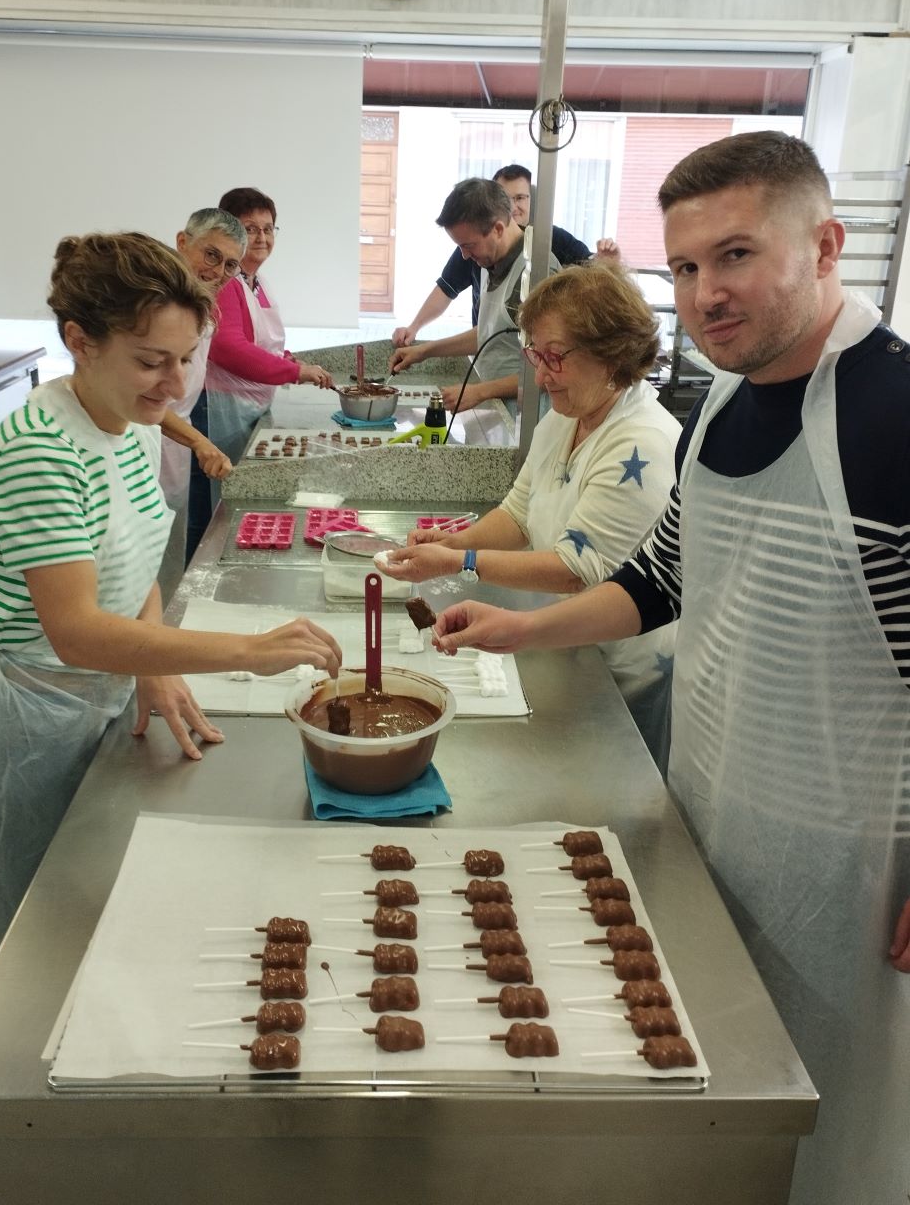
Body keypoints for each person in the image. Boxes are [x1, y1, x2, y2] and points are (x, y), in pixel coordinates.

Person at [429, 131, 910, 1205]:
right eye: (686, 267)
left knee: (834, 1124)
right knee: (720, 1100)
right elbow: (655, 580)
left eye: (736, 256)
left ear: (825, 243)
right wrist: (506, 628)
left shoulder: (891, 416)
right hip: (709, 801)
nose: (705, 294)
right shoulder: (724, 407)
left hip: (851, 857)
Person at [0, 232, 342, 997]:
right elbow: (77, 629)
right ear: (79, 342)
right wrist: (248, 651)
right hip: (31, 720)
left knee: (86, 929)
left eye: (186, 358)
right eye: (152, 360)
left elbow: (139, 563)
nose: (175, 383)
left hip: (100, 696)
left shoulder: (128, 425)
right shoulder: (41, 451)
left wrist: (158, 663)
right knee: (29, 953)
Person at [379, 263, 678, 763]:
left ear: (613, 353)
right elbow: (518, 514)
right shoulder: (567, 416)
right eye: (535, 355)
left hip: (617, 667)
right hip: (567, 643)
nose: (539, 375)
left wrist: (461, 563)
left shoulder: (641, 446)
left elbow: (572, 569)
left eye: (555, 357)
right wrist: (452, 544)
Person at [187, 186, 334, 558]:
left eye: (269, 229)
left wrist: (286, 358)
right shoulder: (224, 282)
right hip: (217, 408)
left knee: (227, 500)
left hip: (246, 407)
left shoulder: (256, 283)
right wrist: (294, 371)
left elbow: (259, 342)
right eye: (250, 229)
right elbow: (229, 348)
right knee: (206, 511)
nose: (262, 237)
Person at [391, 162, 616, 347]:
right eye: (505, 199)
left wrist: (607, 263)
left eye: (519, 198)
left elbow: (593, 276)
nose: (511, 207)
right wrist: (414, 330)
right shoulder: (480, 250)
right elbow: (448, 290)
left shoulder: (549, 246)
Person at [390, 178, 560, 413]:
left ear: (498, 229)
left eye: (469, 245)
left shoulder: (538, 274)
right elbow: (491, 333)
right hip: (498, 409)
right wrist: (424, 351)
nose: (464, 256)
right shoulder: (490, 259)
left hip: (527, 419)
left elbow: (550, 368)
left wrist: (479, 391)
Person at [156, 207, 246, 599]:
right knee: (144, 564)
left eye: (230, 265)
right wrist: (198, 441)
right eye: (211, 255)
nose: (218, 271)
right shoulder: (157, 306)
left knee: (168, 554)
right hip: (151, 436)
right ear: (182, 242)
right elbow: (152, 399)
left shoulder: (202, 305)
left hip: (173, 440)